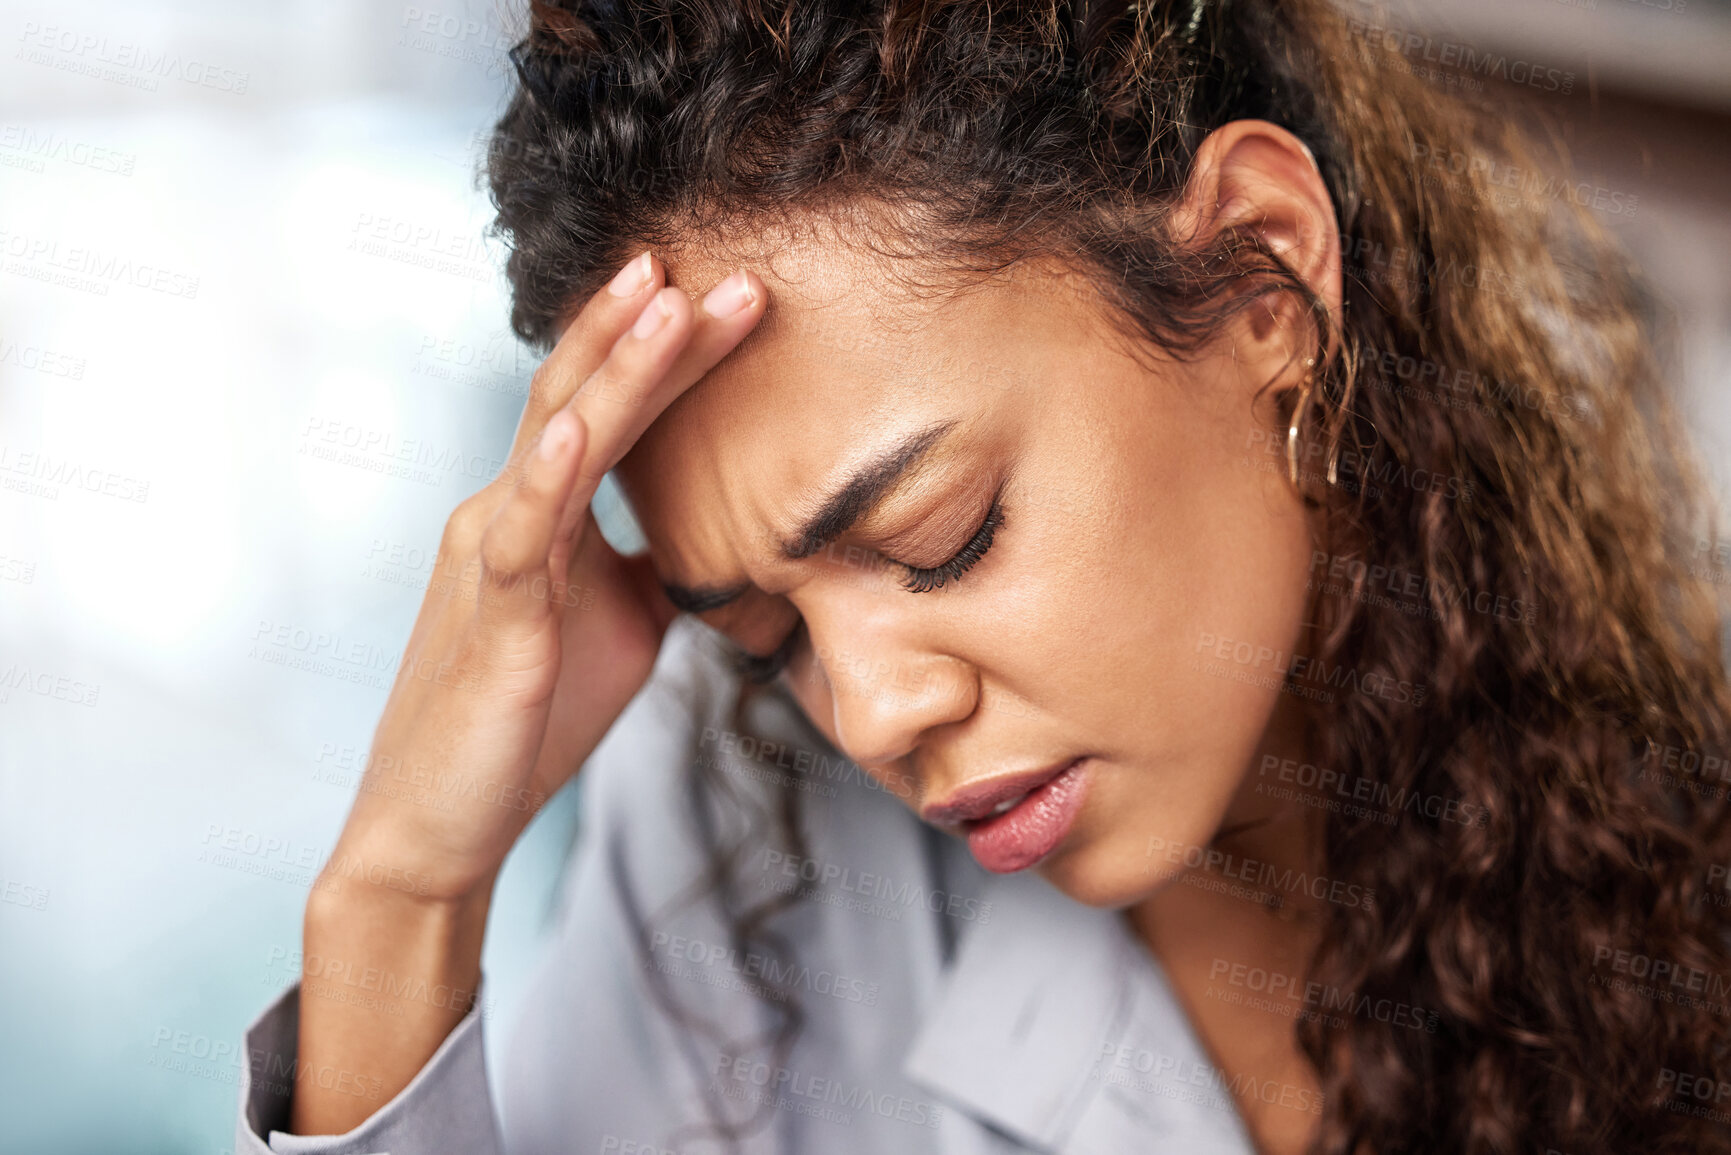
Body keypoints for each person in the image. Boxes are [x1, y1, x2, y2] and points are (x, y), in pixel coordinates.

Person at [234, 0, 1731, 1152]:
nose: (872, 714)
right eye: (765, 634)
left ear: (1262, 278)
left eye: (942, 535)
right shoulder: (733, 823)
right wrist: (398, 895)